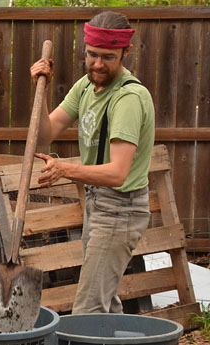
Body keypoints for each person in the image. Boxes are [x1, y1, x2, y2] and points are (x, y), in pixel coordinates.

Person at [31, 11, 155, 314]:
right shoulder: (86, 87)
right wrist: (40, 89)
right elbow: (44, 135)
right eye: (92, 55)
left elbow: (117, 173)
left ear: (126, 52)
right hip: (98, 205)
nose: (98, 64)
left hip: (120, 210)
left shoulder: (127, 99)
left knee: (88, 311)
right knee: (104, 302)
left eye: (108, 57)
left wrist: (64, 169)